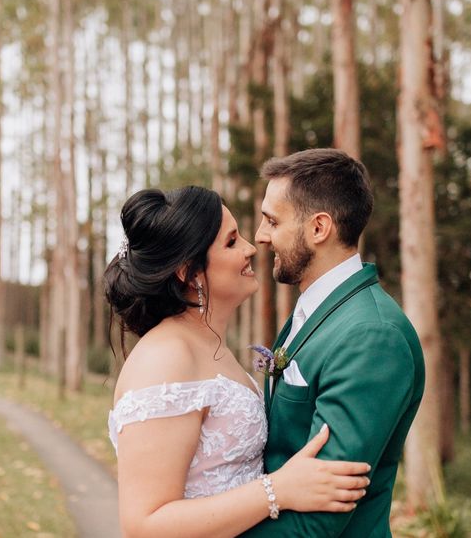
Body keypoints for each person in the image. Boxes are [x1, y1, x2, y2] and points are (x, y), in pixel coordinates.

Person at [105, 186, 371, 538]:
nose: (250, 248)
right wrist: (277, 490)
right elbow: (145, 525)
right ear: (189, 272)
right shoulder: (165, 358)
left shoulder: (208, 347)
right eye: (231, 242)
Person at [240, 148, 425, 537]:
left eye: (272, 221)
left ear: (319, 228)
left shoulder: (372, 337)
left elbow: (322, 516)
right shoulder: (317, 311)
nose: (260, 236)